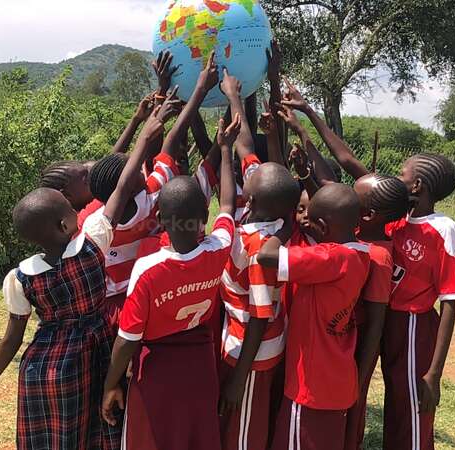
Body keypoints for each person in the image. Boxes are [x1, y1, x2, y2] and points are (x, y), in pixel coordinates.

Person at [0, 101, 174, 449]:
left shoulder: (19, 277)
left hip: (47, 370)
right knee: (100, 426)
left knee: (59, 435)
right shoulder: (93, 239)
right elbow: (121, 186)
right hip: (97, 353)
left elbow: (11, 340)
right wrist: (147, 135)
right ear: (66, 222)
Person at [101, 111, 242, 450]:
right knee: (194, 433)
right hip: (199, 361)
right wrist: (225, 149)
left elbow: (127, 340)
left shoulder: (148, 268)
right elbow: (227, 202)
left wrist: (110, 384)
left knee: (152, 436)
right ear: (202, 219)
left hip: (157, 366)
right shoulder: (219, 247)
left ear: (161, 219)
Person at [255, 183, 371, 450]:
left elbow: (266, 255)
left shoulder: (331, 258)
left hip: (310, 386)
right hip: (336, 379)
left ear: (323, 226)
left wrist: (285, 226)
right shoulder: (360, 253)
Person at [80, 86, 184, 332]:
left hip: (111, 306)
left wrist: (143, 119)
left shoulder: (92, 220)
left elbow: (108, 177)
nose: (140, 171)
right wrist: (194, 94)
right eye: (135, 172)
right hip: (145, 295)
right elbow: (165, 151)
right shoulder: (152, 197)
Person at [382, 153, 455, 450]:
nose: (396, 177)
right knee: (395, 400)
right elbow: (352, 164)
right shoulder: (398, 219)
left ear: (416, 185)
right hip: (389, 322)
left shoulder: (443, 228)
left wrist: (434, 373)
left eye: (401, 173)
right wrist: (307, 122)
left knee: (413, 407)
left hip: (414, 326)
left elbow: (450, 302)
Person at [218, 159, 301, 450]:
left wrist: (239, 378)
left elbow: (260, 315)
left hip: (252, 356)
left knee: (244, 432)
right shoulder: (272, 228)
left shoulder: (258, 248)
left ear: (250, 201)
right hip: (245, 344)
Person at [344, 174, 410, 450]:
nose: (346, 198)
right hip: (340, 339)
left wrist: (362, 373)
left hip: (357, 345)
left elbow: (376, 322)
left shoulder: (380, 256)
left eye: (352, 198)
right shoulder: (352, 234)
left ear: (368, 214)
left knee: (351, 408)